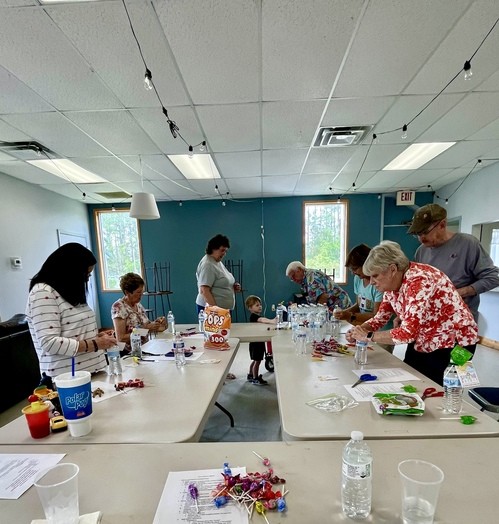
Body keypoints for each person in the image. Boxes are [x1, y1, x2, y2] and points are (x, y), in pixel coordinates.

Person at [346, 241, 478, 385]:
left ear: (392, 269)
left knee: (445, 387)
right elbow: (380, 318)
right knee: (410, 379)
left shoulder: (420, 280)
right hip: (426, 336)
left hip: (460, 341)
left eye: (375, 276)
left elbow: (408, 333)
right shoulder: (392, 285)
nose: (371, 282)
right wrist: (359, 330)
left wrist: (368, 336)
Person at [26, 243, 117, 378]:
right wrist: (94, 344)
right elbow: (49, 342)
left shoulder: (68, 292)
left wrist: (97, 337)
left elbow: (73, 333)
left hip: (92, 370)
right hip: (67, 378)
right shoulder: (43, 293)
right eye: (85, 274)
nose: (87, 279)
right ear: (70, 272)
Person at [408, 203, 499, 322]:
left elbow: (494, 277)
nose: (421, 238)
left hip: (460, 320)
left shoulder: (468, 244)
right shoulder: (421, 251)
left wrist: (459, 292)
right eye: (418, 234)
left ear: (442, 225)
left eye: (425, 232)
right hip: (431, 320)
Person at [111, 273, 167, 347]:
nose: (141, 295)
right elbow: (121, 338)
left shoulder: (138, 305)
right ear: (127, 292)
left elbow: (146, 326)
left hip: (145, 347)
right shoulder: (119, 307)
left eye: (142, 292)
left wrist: (158, 324)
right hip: (130, 351)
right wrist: (145, 329)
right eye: (138, 292)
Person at [334, 244, 383, 325]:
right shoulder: (358, 279)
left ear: (366, 264)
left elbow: (376, 316)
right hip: (365, 326)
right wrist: (343, 313)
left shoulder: (379, 284)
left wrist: (350, 316)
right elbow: (358, 305)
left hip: (379, 328)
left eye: (355, 269)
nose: (353, 273)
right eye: (351, 270)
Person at [195, 234, 240, 312]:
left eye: (225, 251)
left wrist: (232, 286)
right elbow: (204, 290)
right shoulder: (208, 264)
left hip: (222, 310)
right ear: (213, 248)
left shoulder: (216, 262)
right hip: (212, 310)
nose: (224, 253)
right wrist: (215, 310)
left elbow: (221, 281)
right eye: (222, 250)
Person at [285, 261, 351, 312]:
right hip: (332, 308)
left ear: (299, 270)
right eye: (291, 279)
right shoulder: (304, 280)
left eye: (293, 276)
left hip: (340, 306)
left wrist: (317, 315)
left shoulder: (311, 277)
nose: (293, 280)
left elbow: (323, 297)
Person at [245, 295, 276, 385]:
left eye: (260, 305)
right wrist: (272, 321)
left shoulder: (256, 315)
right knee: (257, 361)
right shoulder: (254, 316)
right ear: (250, 308)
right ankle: (255, 378)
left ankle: (250, 374)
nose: (260, 307)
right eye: (257, 305)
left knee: (255, 360)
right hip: (256, 343)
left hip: (257, 341)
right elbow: (262, 320)